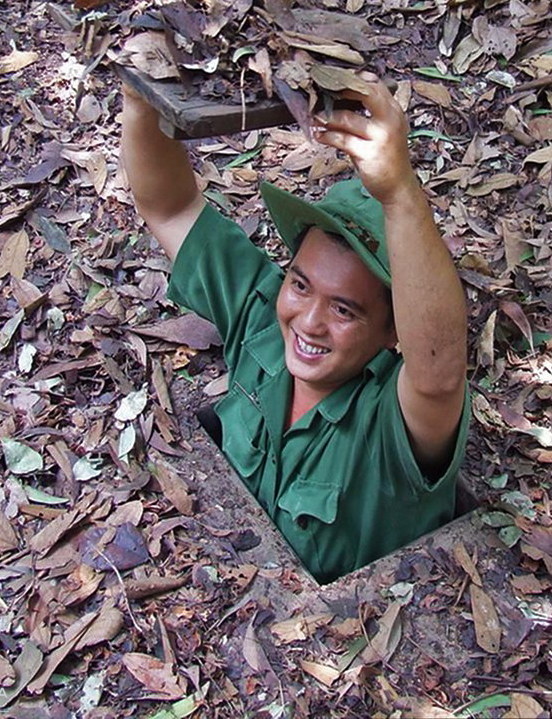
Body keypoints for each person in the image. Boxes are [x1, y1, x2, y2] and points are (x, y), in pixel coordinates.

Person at [120, 74, 470, 583]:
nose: (308, 322)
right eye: (301, 285)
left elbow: (438, 375)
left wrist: (399, 194)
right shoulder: (261, 317)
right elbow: (170, 208)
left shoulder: (393, 424)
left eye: (345, 311)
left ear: (393, 332)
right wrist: (140, 96)